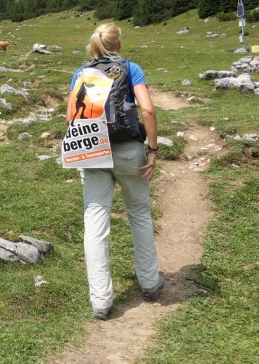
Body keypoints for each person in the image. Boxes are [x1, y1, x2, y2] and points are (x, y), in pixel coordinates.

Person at [66, 23, 163, 320]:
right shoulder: (131, 68)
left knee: (95, 222)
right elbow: (147, 109)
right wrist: (154, 149)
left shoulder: (81, 74)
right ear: (118, 44)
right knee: (139, 213)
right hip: (127, 150)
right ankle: (149, 282)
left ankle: (100, 301)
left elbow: (72, 117)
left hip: (93, 152)